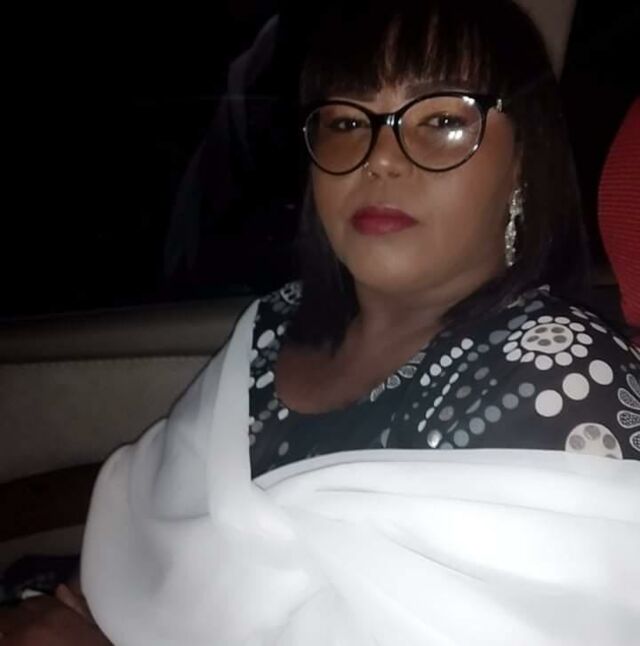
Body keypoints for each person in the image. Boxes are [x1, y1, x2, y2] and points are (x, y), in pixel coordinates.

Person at [2, 1, 639, 644]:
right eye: (345, 122)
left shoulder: (565, 381)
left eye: (442, 120)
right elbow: (138, 554)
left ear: (524, 158)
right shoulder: (273, 326)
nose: (379, 157)